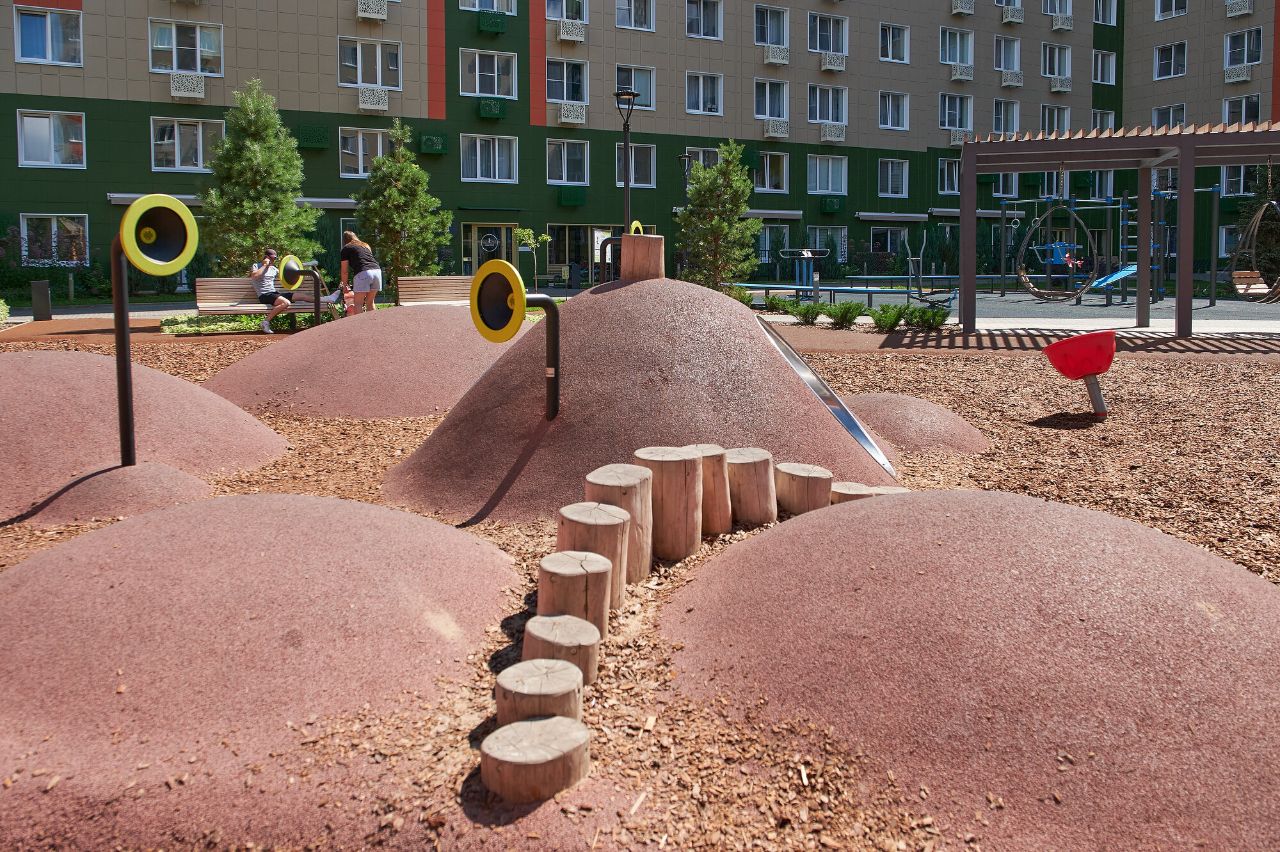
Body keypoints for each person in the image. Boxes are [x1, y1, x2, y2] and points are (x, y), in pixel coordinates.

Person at [249, 249, 340, 333]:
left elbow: (286, 272)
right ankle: (265, 322)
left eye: (275, 258)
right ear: (266, 257)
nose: (273, 260)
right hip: (264, 295)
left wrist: (305, 265)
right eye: (271, 258)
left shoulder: (273, 269)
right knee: (286, 303)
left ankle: (327, 299)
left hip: (274, 294)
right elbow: (255, 276)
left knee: (301, 296)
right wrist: (265, 265)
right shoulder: (257, 266)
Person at [340, 231, 382, 314]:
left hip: (363, 272)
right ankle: (375, 322)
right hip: (377, 271)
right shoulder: (365, 245)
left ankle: (360, 323)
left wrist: (344, 286)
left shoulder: (346, 248)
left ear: (344, 240)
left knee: (358, 303)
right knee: (370, 302)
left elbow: (344, 271)